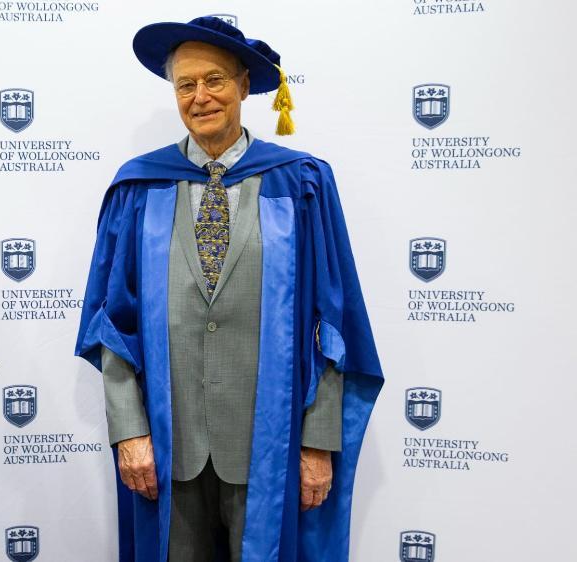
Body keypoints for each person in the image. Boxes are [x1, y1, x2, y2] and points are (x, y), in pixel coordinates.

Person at [75, 16, 384, 562]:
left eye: (215, 80)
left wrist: (317, 442)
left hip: (273, 441)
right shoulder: (140, 186)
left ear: (244, 85)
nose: (200, 97)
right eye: (185, 85)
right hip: (169, 446)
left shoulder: (303, 183)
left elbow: (332, 320)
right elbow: (111, 323)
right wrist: (129, 432)